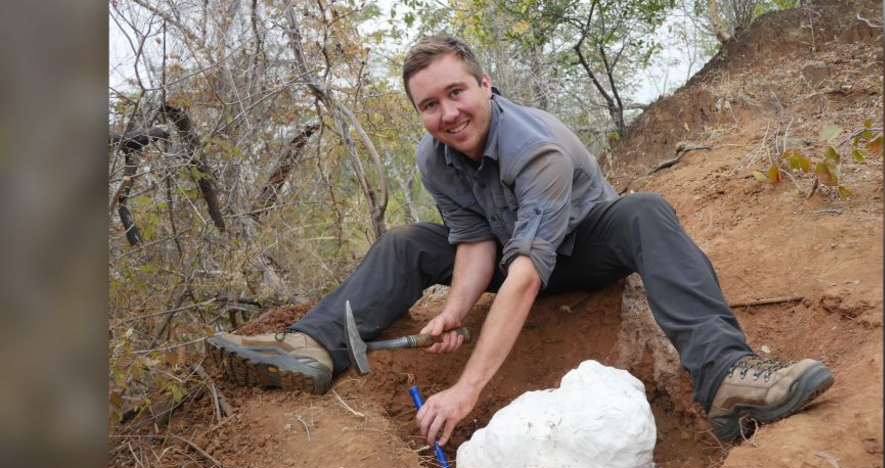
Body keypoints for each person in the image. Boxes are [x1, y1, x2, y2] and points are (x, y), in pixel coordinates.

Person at [206, 36, 834, 445]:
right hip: (509, 253)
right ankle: (314, 346)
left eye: (456, 93)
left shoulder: (537, 148)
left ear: (485, 85)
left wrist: (467, 388)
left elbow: (528, 274)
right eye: (429, 105)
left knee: (645, 210)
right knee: (404, 242)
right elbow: (475, 242)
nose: (447, 114)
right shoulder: (435, 158)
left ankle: (725, 374)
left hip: (583, 249)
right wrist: (454, 311)